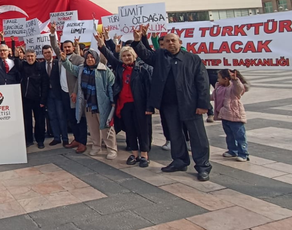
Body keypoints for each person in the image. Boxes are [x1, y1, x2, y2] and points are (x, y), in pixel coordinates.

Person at [132, 30, 212, 181]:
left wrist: (203, 104)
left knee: (197, 136)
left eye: (173, 41)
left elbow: (202, 83)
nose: (170, 43)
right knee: (175, 135)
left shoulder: (192, 59)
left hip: (190, 104)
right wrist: (137, 41)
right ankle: (180, 161)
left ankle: (203, 166)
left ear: (180, 43)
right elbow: (145, 54)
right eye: (167, 41)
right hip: (169, 105)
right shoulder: (160, 56)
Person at [96, 34, 153, 167]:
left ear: (135, 56)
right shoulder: (120, 67)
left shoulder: (143, 69)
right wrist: (101, 43)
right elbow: (109, 56)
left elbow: (149, 89)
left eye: (129, 55)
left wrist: (149, 107)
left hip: (140, 104)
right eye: (124, 56)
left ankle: (144, 154)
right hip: (125, 105)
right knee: (130, 129)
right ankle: (134, 153)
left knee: (143, 130)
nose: (127, 58)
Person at [61, 50, 118, 160]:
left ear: (96, 58)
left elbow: (111, 87)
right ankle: (96, 146)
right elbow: (72, 68)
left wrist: (112, 102)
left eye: (92, 57)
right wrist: (64, 60)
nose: (90, 59)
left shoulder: (104, 70)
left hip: (102, 104)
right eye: (88, 58)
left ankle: (112, 149)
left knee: (107, 128)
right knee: (93, 128)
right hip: (88, 104)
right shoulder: (82, 69)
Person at [49, 23, 88, 153]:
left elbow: (80, 77)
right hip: (64, 93)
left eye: (68, 47)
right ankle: (76, 139)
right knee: (71, 118)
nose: (66, 49)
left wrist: (75, 92)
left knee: (79, 118)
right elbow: (55, 46)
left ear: (73, 47)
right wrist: (53, 34)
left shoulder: (79, 59)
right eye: (64, 47)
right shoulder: (61, 57)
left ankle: (82, 142)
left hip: (75, 94)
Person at [213, 69, 249, 162]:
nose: (217, 80)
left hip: (235, 116)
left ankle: (243, 154)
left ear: (225, 79)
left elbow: (239, 88)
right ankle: (232, 150)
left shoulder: (233, 88)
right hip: (224, 116)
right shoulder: (218, 87)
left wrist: (235, 79)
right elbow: (213, 96)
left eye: (219, 78)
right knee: (229, 135)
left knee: (240, 136)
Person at [17, 48, 49, 149]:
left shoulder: (40, 67)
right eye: (28, 56)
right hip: (26, 98)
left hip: (38, 99)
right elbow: (17, 64)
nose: (30, 58)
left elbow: (45, 85)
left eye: (32, 56)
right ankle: (29, 140)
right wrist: (17, 55)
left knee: (40, 121)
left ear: (35, 57)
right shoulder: (23, 66)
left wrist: (43, 100)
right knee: (27, 121)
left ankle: (40, 140)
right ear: (25, 57)